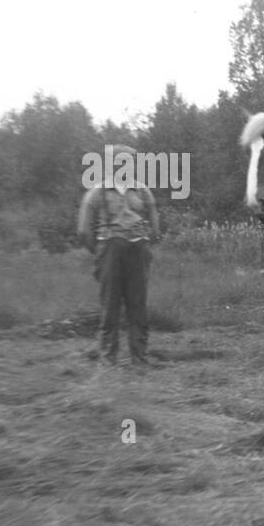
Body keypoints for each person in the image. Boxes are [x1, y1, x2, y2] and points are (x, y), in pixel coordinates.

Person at [76, 144, 161, 367]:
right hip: (109, 251)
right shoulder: (97, 192)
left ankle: (140, 358)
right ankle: (108, 360)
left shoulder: (142, 190)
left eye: (130, 162)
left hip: (137, 250)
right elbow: (84, 231)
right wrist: (101, 253)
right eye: (120, 162)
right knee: (110, 306)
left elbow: (155, 225)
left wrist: (143, 244)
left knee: (138, 305)